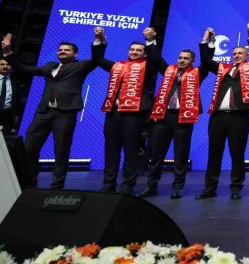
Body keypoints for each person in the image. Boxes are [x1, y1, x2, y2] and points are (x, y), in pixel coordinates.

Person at [2, 31, 101, 189]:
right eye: (60, 49)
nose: (62, 51)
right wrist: (8, 51)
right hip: (43, 113)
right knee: (29, 148)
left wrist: (98, 40)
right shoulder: (49, 66)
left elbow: (97, 59)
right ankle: (30, 182)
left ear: (75, 54)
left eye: (66, 50)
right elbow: (22, 68)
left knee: (61, 150)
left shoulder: (80, 66)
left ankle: (57, 185)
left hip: (65, 114)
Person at [136, 31, 214, 199]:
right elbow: (156, 59)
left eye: (186, 58)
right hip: (163, 117)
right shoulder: (169, 70)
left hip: (183, 118)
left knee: (181, 154)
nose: (181, 60)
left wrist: (206, 42)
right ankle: (151, 185)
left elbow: (207, 62)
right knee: (156, 154)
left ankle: (177, 187)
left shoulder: (197, 73)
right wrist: (151, 40)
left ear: (192, 61)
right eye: (180, 57)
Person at [196, 23, 249, 200]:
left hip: (239, 117)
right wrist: (208, 41)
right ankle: (210, 188)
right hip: (218, 117)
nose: (237, 56)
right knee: (214, 153)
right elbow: (206, 61)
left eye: (240, 53)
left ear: (247, 56)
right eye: (234, 54)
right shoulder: (223, 69)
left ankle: (236, 187)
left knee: (237, 153)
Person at [95, 27, 162, 194]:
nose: (134, 52)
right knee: (111, 149)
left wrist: (150, 40)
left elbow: (155, 59)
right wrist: (100, 40)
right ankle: (109, 183)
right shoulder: (118, 66)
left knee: (131, 150)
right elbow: (98, 59)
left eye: (139, 50)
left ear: (144, 54)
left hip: (134, 114)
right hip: (113, 112)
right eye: (132, 49)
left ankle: (127, 185)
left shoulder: (148, 67)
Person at [0, 58, 22, 135]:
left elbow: (17, 100)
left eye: (8, 64)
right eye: (2, 64)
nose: (5, 66)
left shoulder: (16, 81)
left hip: (8, 115)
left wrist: (16, 115)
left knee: (5, 138)